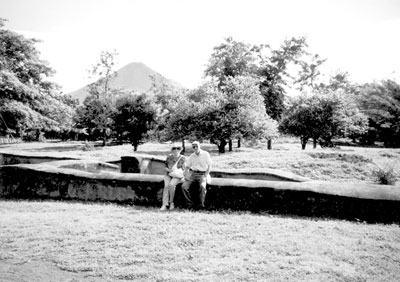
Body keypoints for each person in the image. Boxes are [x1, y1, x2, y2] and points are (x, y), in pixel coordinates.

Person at [181, 141, 212, 210]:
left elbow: (210, 166)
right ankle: (190, 204)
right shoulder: (192, 156)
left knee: (202, 187)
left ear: (199, 146)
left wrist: (205, 175)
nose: (195, 148)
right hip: (193, 174)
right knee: (184, 186)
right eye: (193, 147)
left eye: (196, 146)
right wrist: (186, 175)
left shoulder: (205, 154)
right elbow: (188, 166)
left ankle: (201, 205)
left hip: (202, 174)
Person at [160, 143, 186, 211]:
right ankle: (164, 204)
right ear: (172, 149)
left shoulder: (183, 158)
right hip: (168, 174)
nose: (176, 150)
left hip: (177, 175)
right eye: (174, 148)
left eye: (178, 148)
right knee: (166, 186)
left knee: (171, 185)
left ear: (181, 149)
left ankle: (171, 203)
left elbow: (184, 169)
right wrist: (169, 170)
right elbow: (165, 167)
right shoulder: (169, 157)